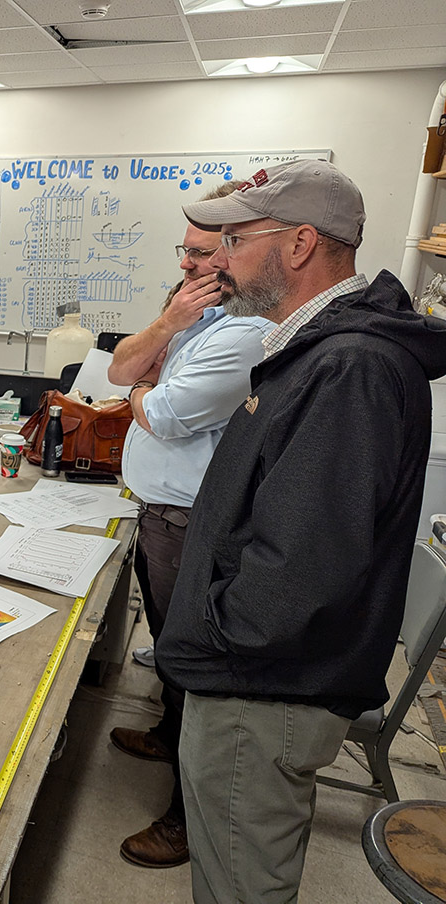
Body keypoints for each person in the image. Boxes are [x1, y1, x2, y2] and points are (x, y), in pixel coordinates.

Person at [155, 160, 446, 902]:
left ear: (300, 244)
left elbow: (300, 568)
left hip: (261, 689)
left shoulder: (349, 366)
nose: (216, 261)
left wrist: (216, 639)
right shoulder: (325, 348)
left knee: (241, 887)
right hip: (261, 679)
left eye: (235, 240)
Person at [105, 182, 273, 869]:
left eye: (204, 255)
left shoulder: (247, 333)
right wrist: (167, 331)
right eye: (187, 252)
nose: (190, 267)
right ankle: (164, 730)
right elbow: (119, 367)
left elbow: (163, 412)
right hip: (158, 513)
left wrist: (144, 388)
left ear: (237, 257)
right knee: (171, 655)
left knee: (194, 670)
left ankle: (184, 818)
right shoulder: (194, 317)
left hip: (190, 520)